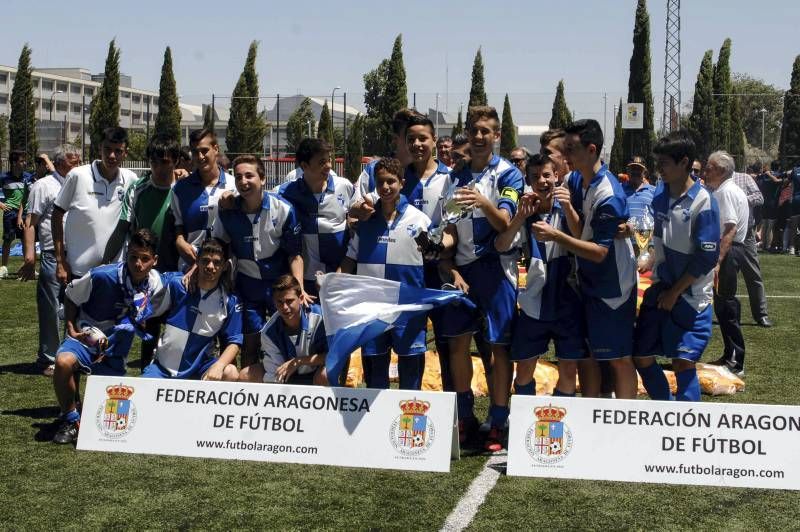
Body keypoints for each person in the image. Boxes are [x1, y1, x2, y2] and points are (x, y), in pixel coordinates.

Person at [536, 119, 637, 400]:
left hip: (613, 287)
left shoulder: (609, 195)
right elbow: (583, 231)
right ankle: (597, 413)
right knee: (594, 352)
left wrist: (556, 236)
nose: (564, 155)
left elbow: (599, 251)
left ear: (591, 150)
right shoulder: (578, 179)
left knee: (620, 358)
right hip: (590, 282)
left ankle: (627, 423)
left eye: (570, 148)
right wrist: (568, 209)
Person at [443, 105, 523, 451]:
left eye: (485, 131)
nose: (478, 137)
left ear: (497, 136)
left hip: (495, 270)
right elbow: (450, 226)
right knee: (458, 345)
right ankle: (465, 418)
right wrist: (438, 247)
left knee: (499, 349)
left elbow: (505, 223)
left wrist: (482, 201)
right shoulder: (455, 176)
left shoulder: (508, 174)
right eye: (474, 130)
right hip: (462, 273)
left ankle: (500, 421)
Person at [50, 229, 164, 444]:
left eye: (145, 259)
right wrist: (72, 330)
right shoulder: (102, 275)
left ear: (154, 260)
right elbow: (71, 297)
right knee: (63, 362)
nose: (138, 264)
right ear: (127, 254)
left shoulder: (155, 284)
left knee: (110, 422)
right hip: (85, 339)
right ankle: (70, 419)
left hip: (115, 351)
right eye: (133, 257)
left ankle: (84, 409)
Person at [634, 131, 720, 401]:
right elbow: (659, 237)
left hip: (691, 298)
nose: (658, 169)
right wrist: (649, 256)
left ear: (684, 163)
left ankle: (686, 426)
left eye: (664, 163)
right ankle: (668, 410)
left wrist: (675, 292)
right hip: (661, 289)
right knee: (642, 356)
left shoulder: (704, 202)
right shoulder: (660, 195)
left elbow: (706, 258)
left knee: (682, 362)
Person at [496, 154, 590, 397]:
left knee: (568, 369)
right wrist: (519, 218)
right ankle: (525, 419)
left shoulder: (568, 206)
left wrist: (568, 207)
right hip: (534, 304)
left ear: (556, 176)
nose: (543, 181)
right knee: (525, 367)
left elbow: (581, 238)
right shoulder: (526, 212)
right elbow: (501, 245)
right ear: (528, 180)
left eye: (547, 175)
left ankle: (561, 418)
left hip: (568, 302)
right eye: (536, 176)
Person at [339, 157, 432, 390]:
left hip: (407, 307)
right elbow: (351, 257)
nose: (386, 187)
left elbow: (434, 258)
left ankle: (405, 423)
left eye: (391, 181)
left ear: (401, 182)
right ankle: (376, 421)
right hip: (373, 307)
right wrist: (334, 281)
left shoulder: (419, 220)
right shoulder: (366, 221)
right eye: (381, 182)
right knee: (375, 372)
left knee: (410, 373)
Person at [212, 155, 306, 367]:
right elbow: (218, 246)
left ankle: (289, 389)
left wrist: (298, 288)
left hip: (278, 284)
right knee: (250, 341)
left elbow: (295, 255)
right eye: (238, 177)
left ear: (262, 179)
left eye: (249, 176)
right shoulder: (228, 210)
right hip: (247, 285)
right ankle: (248, 391)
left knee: (285, 339)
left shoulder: (283, 209)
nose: (243, 181)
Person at [103, 135, 182, 368]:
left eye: (165, 162)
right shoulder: (137, 190)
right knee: (148, 329)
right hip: (144, 274)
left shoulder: (183, 190)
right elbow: (121, 230)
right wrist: (106, 262)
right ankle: (147, 378)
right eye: (154, 162)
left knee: (178, 332)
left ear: (176, 161)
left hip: (178, 273)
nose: (159, 168)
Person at [142, 238, 241, 381]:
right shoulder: (177, 285)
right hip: (163, 368)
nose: (210, 266)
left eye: (217, 262)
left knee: (230, 372)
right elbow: (147, 308)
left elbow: (235, 341)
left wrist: (219, 365)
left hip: (200, 368)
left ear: (225, 266)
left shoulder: (230, 301)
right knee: (139, 392)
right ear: (197, 262)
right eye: (205, 260)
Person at [20, 147, 81, 375]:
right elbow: (30, 221)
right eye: (74, 162)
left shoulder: (78, 184)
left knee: (73, 306)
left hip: (75, 254)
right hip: (50, 254)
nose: (79, 165)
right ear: (61, 163)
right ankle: (47, 358)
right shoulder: (44, 185)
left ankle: (70, 355)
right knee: (51, 308)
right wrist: (29, 256)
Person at [52, 127, 137, 285]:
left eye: (118, 151)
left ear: (125, 153)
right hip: (79, 271)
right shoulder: (77, 176)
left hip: (115, 272)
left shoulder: (130, 179)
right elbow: (56, 215)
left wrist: (178, 173)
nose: (112, 156)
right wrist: (60, 260)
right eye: (107, 149)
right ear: (99, 148)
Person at [278, 138, 354, 297]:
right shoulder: (286, 192)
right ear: (304, 166)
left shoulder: (344, 186)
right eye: (322, 162)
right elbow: (258, 197)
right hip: (306, 280)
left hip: (340, 277)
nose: (329, 166)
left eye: (329, 160)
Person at [705, 151, 749, 376]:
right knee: (723, 305)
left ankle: (736, 361)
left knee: (727, 306)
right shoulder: (728, 190)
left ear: (721, 170)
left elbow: (729, 228)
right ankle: (729, 353)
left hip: (729, 252)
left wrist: (719, 261)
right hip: (732, 251)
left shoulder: (725, 192)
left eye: (709, 167)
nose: (705, 171)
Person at [239, 275, 328, 385]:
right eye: (279, 302)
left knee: (325, 375)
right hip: (288, 378)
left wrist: (299, 361)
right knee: (244, 375)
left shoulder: (321, 318)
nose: (285, 307)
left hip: (317, 374)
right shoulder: (268, 332)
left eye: (289, 301)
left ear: (300, 299)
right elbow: (275, 375)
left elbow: (334, 355)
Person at [171, 128, 236, 270]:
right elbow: (178, 225)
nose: (200, 157)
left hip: (222, 268)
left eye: (204, 150)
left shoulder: (233, 185)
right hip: (189, 265)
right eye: (195, 152)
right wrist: (179, 240)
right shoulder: (179, 189)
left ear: (216, 149)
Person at [731, 167, 771, 327]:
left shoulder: (744, 178)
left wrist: (742, 199)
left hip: (746, 234)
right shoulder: (713, 181)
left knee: (753, 275)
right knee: (726, 278)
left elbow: (759, 197)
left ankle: (761, 315)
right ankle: (729, 314)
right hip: (723, 235)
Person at [0, 150, 33, 278]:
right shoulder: (4, 177)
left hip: (25, 212)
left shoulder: (28, 177)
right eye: (21, 161)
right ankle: (3, 268)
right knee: (8, 240)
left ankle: (28, 268)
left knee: (26, 240)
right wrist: (1, 204)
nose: (24, 163)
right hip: (9, 213)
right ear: (13, 163)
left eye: (24, 160)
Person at [757, 162, 782, 252]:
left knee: (765, 224)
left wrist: (766, 173)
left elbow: (756, 177)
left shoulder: (764, 176)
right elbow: (779, 181)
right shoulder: (778, 175)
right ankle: (767, 245)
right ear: (778, 167)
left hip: (764, 202)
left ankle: (764, 244)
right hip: (773, 203)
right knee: (770, 225)